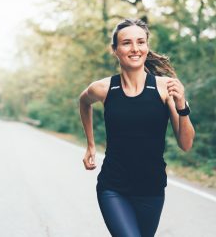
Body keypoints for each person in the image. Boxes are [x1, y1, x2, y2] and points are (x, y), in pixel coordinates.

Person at [79, 18, 195, 237]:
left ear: (147, 47)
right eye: (126, 43)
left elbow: (186, 144)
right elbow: (83, 102)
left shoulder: (165, 88)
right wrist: (90, 145)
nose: (135, 49)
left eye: (140, 42)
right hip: (113, 188)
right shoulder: (104, 88)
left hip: (151, 189)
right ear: (115, 49)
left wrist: (182, 105)